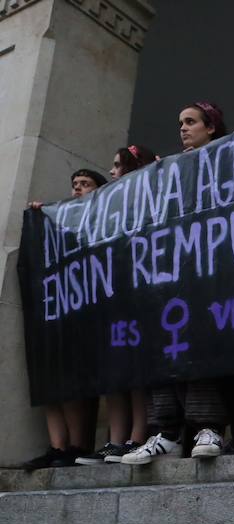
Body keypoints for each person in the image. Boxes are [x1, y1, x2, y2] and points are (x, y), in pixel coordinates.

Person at [122, 105, 231, 465]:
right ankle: (166, 433)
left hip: (208, 275)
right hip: (169, 278)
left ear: (211, 127)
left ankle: (207, 426)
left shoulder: (231, 159)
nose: (182, 129)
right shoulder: (167, 172)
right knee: (163, 348)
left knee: (198, 348)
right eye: (179, 123)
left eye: (190, 122)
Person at [75, 146, 157, 465]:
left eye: (118, 166)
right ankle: (114, 440)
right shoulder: (106, 209)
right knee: (114, 375)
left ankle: (137, 437)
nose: (111, 173)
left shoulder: (146, 200)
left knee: (135, 373)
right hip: (113, 298)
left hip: (139, 296)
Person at [22, 169, 108, 471]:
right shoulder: (64, 221)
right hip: (60, 312)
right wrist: (40, 215)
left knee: (73, 382)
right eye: (74, 185)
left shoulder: (107, 219)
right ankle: (57, 446)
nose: (77, 190)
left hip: (90, 315)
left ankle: (76, 444)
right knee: (51, 380)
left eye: (85, 184)